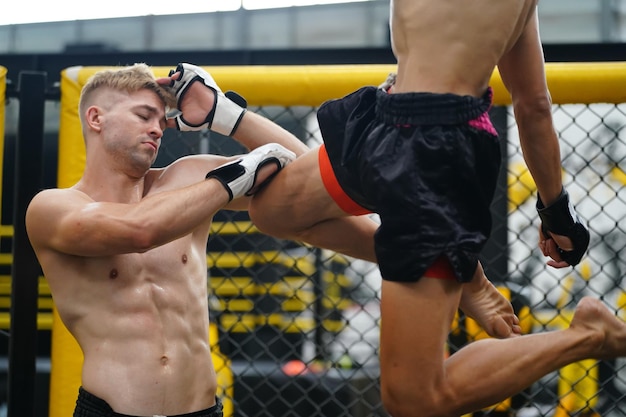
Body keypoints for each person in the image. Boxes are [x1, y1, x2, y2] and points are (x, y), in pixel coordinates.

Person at [239, 2, 624, 417]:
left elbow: (533, 105)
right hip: (386, 116)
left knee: (414, 398)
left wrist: (557, 211)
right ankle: (468, 276)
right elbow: (533, 103)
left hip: (434, 148)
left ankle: (588, 335)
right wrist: (555, 210)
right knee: (272, 210)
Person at [25, 63, 302, 416]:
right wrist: (231, 181)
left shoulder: (187, 179)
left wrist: (226, 115)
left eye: (162, 120)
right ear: (96, 119)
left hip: (203, 410)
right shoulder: (52, 207)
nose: (157, 129)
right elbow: (142, 231)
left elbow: (306, 174)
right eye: (143, 116)